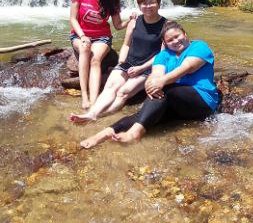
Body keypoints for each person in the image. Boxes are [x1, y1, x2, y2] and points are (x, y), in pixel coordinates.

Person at [79, 20, 219, 148]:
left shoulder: (199, 46)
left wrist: (162, 81)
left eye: (177, 36)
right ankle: (102, 135)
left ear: (185, 34)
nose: (175, 41)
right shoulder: (163, 55)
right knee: (140, 115)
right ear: (164, 43)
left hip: (202, 101)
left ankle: (135, 133)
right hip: (176, 104)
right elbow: (155, 75)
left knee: (166, 88)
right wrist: (152, 84)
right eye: (170, 40)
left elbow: (188, 67)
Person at [69, 0, 166, 125]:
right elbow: (126, 45)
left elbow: (163, 54)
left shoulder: (166, 26)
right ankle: (92, 113)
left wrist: (140, 68)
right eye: (144, 4)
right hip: (129, 63)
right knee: (110, 87)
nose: (148, 6)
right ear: (139, 6)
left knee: (123, 92)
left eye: (151, 3)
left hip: (147, 68)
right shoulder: (134, 22)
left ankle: (100, 116)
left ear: (159, 4)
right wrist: (121, 63)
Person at [69, 0, 123, 110]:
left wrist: (132, 19)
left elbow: (118, 25)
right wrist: (83, 36)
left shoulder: (112, 0)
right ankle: (85, 96)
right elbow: (73, 19)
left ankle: (94, 101)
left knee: (95, 60)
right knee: (85, 49)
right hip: (79, 34)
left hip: (102, 37)